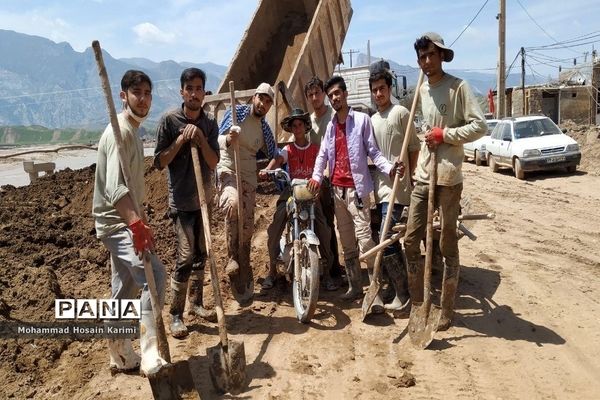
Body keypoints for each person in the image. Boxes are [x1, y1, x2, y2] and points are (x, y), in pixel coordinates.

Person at [404, 32, 486, 330]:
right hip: (425, 175)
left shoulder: (458, 87)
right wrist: (425, 134)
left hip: (449, 177)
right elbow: (422, 126)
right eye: (422, 57)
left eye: (431, 55)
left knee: (447, 244)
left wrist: (446, 135)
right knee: (411, 239)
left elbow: (480, 126)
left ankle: (447, 309)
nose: (426, 62)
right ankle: (418, 302)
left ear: (441, 56)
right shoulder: (421, 91)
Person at [92, 70, 167, 376]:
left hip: (123, 221)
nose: (144, 99)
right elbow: (115, 188)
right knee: (155, 277)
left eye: (148, 93)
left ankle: (119, 352)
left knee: (124, 288)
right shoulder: (120, 132)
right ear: (123, 96)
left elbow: (130, 187)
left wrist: (139, 220)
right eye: (138, 93)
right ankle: (150, 353)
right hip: (117, 224)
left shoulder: (132, 131)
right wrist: (136, 226)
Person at [307, 76, 396, 307]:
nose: (334, 98)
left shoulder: (361, 120)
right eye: (331, 95)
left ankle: (376, 286)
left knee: (366, 240)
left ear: (345, 94)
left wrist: (389, 168)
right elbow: (322, 155)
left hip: (358, 191)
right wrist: (317, 176)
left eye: (337, 93)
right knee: (347, 242)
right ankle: (355, 287)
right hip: (337, 191)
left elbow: (373, 152)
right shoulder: (330, 127)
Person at [153, 68, 219, 338]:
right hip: (181, 202)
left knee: (202, 255)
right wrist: (181, 139)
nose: (194, 93)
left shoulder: (210, 123)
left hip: (204, 200)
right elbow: (159, 162)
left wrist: (201, 138)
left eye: (199, 88)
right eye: (189, 88)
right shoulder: (170, 120)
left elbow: (213, 162)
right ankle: (176, 314)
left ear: (204, 92)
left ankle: (197, 304)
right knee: (184, 257)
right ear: (182, 91)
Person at [258, 108, 334, 290]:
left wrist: (323, 174)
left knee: (324, 230)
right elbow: (277, 160)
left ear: (306, 127)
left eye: (300, 124)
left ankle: (329, 273)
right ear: (291, 129)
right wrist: (268, 170)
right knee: (275, 227)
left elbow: (323, 165)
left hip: (310, 196)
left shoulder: (315, 149)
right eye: (294, 126)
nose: (297, 128)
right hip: (292, 193)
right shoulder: (288, 149)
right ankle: (272, 271)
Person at [217, 82, 277, 303]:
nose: (263, 104)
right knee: (232, 204)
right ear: (254, 97)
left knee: (248, 224)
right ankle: (232, 256)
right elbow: (219, 138)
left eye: (268, 101)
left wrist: (272, 168)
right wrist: (229, 139)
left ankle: (244, 261)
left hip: (249, 176)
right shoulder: (236, 113)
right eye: (261, 98)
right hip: (229, 169)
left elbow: (274, 152)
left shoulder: (264, 129)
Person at [368, 67, 420, 315]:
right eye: (375, 90)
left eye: (382, 89)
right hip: (379, 189)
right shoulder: (372, 120)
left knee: (387, 240)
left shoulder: (401, 113)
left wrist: (410, 173)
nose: (379, 93)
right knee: (383, 240)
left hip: (398, 191)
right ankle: (391, 287)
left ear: (390, 89)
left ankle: (404, 294)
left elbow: (413, 148)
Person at [304, 76, 340, 290]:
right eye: (311, 95)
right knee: (315, 223)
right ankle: (318, 267)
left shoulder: (334, 118)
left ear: (323, 94)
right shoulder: (309, 121)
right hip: (316, 179)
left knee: (329, 225)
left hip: (332, 178)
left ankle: (335, 270)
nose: (315, 97)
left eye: (318, 93)